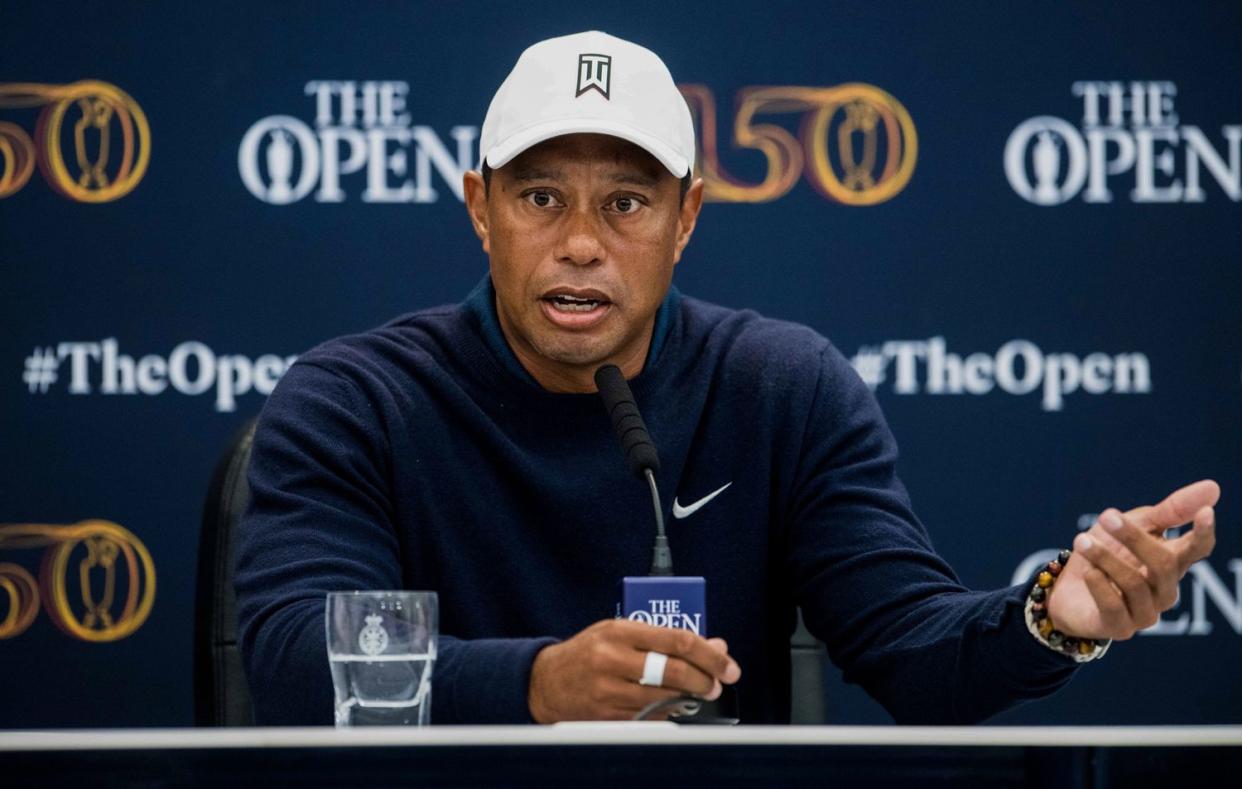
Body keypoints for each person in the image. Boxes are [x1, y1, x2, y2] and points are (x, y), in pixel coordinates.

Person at [234, 30, 1220, 725]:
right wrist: (541, 686)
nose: (581, 244)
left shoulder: (781, 389)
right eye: (540, 197)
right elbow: (287, 663)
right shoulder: (353, 401)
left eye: (626, 203)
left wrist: (1052, 618)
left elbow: (917, 656)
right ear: (479, 208)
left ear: (688, 218)